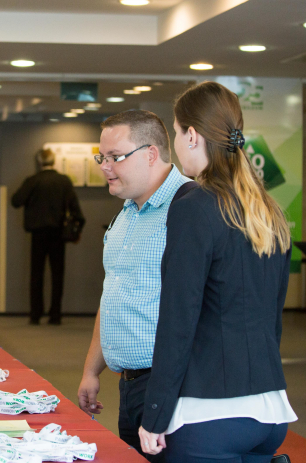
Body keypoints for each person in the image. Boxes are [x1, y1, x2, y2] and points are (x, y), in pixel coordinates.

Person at [138, 81, 297, 462]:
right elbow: (272, 320)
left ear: (192, 135)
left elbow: (178, 320)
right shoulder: (269, 211)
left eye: (176, 133)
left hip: (210, 414)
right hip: (269, 412)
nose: (175, 145)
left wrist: (154, 414)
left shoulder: (195, 205)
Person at [77, 110, 192, 458]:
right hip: (129, 385)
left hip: (172, 388)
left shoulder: (189, 209)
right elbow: (114, 295)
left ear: (151, 154)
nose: (105, 167)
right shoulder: (127, 212)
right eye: (102, 157)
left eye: (115, 157)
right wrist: (91, 369)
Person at [11, 148, 84, 325]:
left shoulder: (33, 181)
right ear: (54, 161)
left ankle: (35, 314)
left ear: (39, 161)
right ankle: (55, 315)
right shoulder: (63, 181)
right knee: (58, 274)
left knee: (36, 274)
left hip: (38, 233)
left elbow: (16, 201)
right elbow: (75, 208)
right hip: (58, 232)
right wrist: (78, 227)